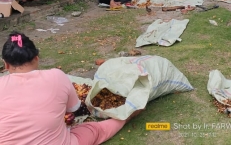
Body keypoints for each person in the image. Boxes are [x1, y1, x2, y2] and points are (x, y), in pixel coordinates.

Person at [0, 32, 143, 145]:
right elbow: (74, 110)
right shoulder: (56, 76)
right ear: (37, 58)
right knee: (94, 130)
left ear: (6, 65)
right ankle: (126, 116)